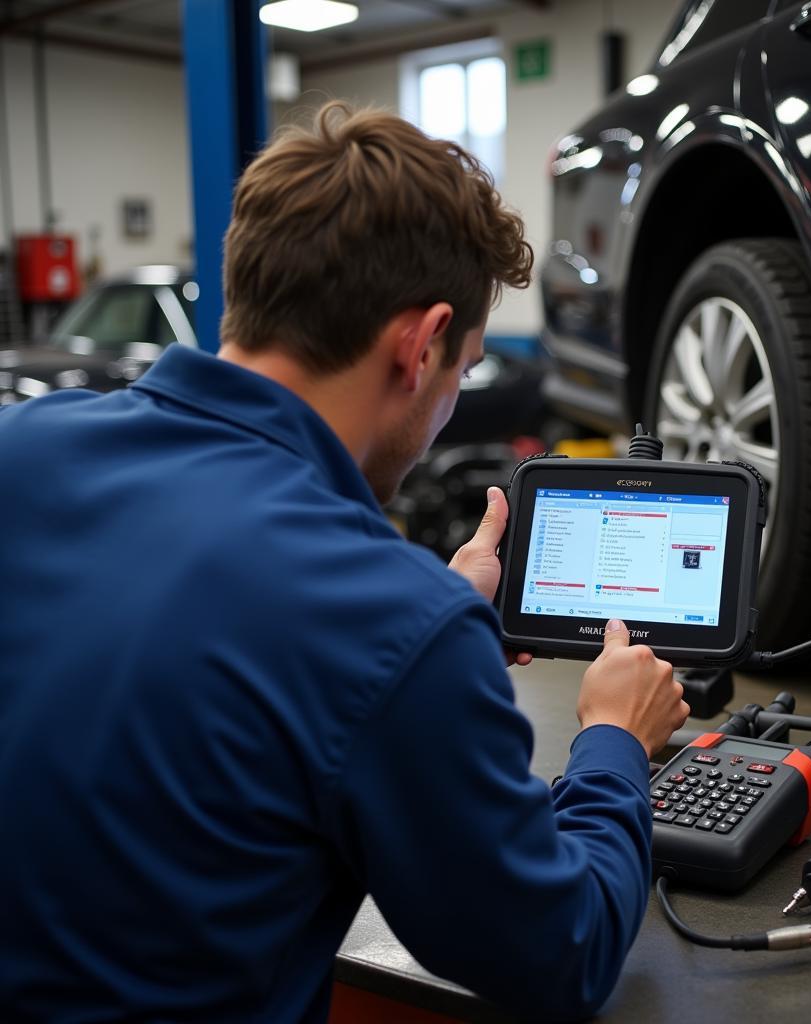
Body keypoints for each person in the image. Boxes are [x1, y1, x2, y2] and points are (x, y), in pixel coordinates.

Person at [0, 103, 689, 1023]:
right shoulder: (385, 619)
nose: (451, 401)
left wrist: (421, 627)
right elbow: (561, 953)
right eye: (461, 369)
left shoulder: (22, 446)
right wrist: (613, 742)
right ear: (419, 344)